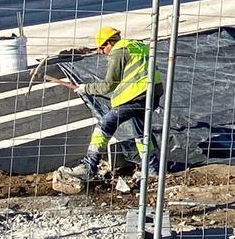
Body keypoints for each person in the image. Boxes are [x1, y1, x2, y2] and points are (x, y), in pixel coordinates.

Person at [58, 27, 160, 181]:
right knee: (141, 133)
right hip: (152, 94)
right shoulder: (136, 45)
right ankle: (153, 171)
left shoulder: (119, 51)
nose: (100, 52)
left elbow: (108, 85)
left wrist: (85, 88)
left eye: (101, 48)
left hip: (137, 96)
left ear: (109, 43)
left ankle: (88, 167)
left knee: (105, 124)